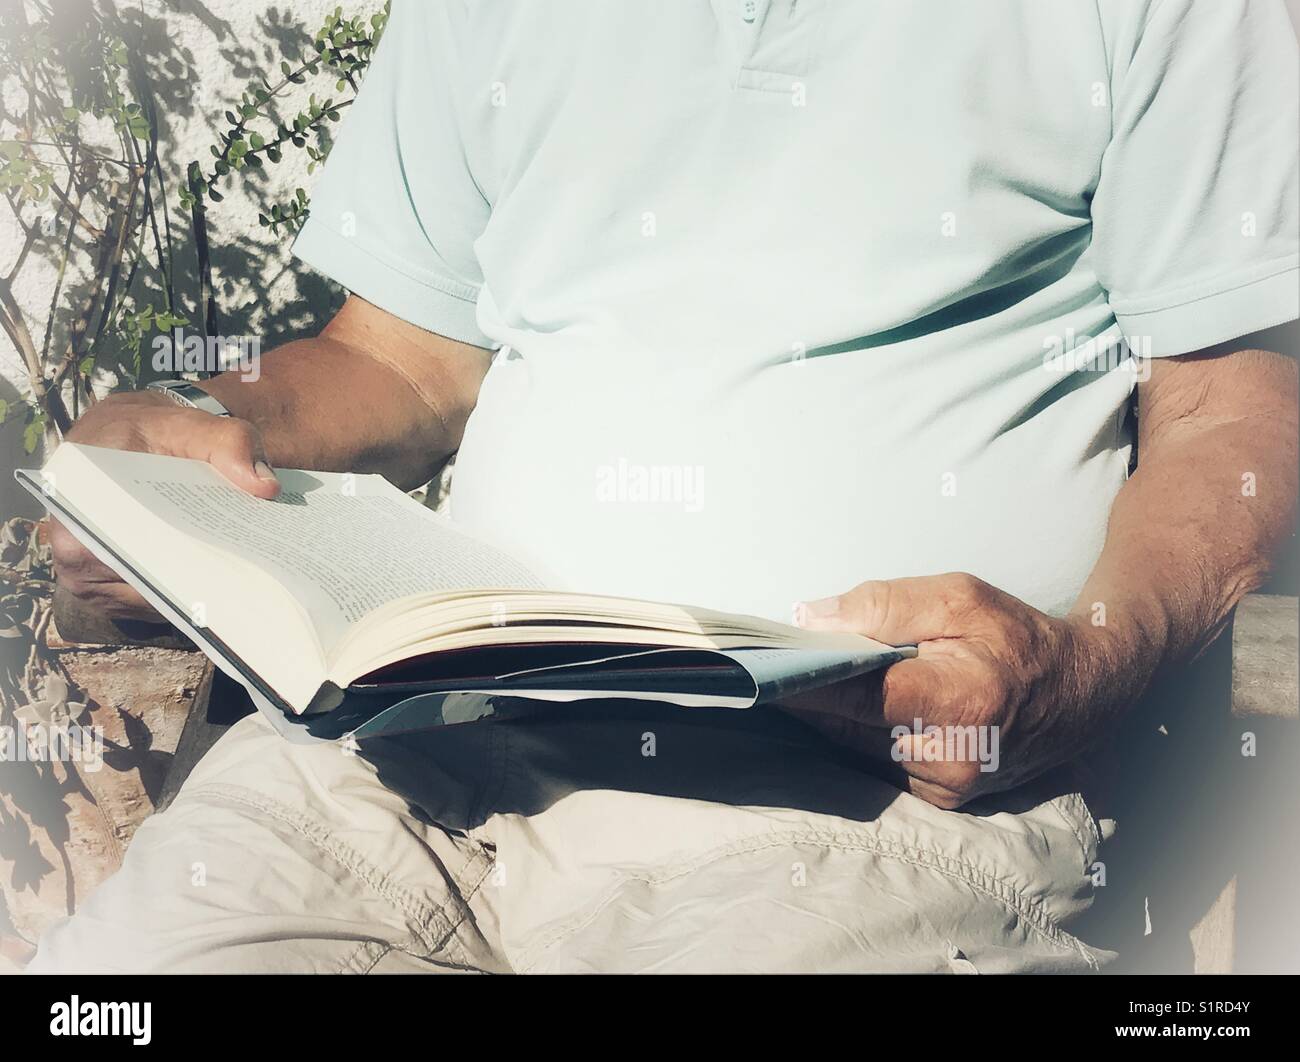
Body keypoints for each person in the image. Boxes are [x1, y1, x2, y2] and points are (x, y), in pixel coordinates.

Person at [30, 0, 1298, 972]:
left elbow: (1229, 411)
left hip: (872, 822)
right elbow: (397, 358)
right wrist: (203, 428)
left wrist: (1090, 665)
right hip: (397, 773)